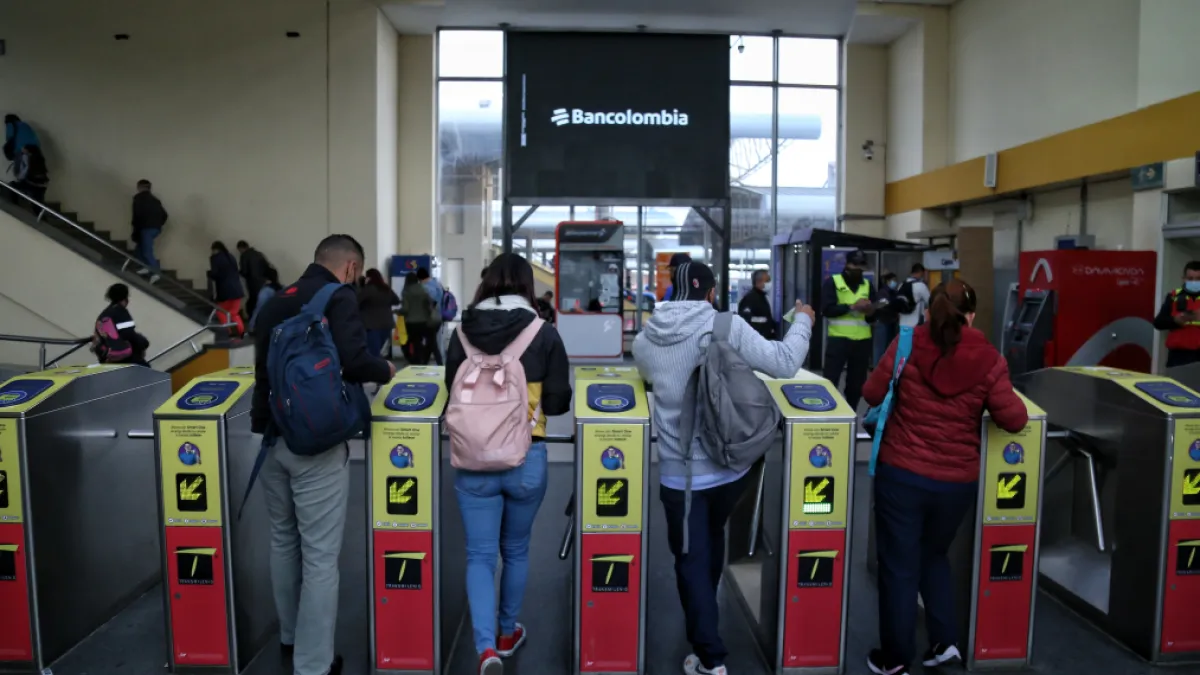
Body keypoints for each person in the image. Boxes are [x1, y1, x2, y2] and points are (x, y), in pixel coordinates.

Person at [633, 261, 815, 675]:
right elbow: (785, 362)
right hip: (733, 469)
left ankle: (710, 656)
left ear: (669, 294)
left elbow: (649, 379)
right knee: (712, 537)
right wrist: (802, 321)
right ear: (711, 293)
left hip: (679, 477)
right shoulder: (726, 325)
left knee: (690, 558)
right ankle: (709, 629)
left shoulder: (646, 341)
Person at [861, 279, 1028, 675]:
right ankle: (944, 644)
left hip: (901, 475)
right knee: (934, 556)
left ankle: (896, 658)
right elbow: (1015, 419)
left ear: (930, 310)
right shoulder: (989, 359)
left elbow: (871, 392)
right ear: (970, 315)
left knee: (900, 565)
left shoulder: (907, 343)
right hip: (956, 484)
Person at [250, 234, 395, 675]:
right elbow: (354, 361)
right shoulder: (338, 297)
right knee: (319, 556)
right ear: (351, 267)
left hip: (272, 439)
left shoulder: (276, 301)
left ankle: (292, 637)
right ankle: (314, 664)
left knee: (282, 540)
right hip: (316, 444)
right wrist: (384, 369)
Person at [444, 253, 571, 675]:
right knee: (515, 550)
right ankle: (505, 632)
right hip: (526, 457)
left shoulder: (460, 333)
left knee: (479, 555)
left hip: (471, 462)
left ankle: (485, 650)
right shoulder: (544, 333)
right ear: (525, 285)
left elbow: (451, 391)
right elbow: (558, 400)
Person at [821, 250, 878, 412]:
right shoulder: (833, 282)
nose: (858, 269)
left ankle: (850, 413)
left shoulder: (867, 285)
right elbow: (827, 310)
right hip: (838, 340)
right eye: (855, 265)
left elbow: (872, 316)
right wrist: (852, 307)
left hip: (862, 341)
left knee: (856, 384)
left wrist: (871, 311)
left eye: (861, 266)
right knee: (830, 380)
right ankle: (827, 413)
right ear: (847, 264)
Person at [1154, 260, 1200, 367]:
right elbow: (1158, 323)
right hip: (1178, 356)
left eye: (1198, 279)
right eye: (1190, 279)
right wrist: (1175, 320)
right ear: (1184, 279)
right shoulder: (1173, 296)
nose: (1194, 282)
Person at [95, 283, 150, 366]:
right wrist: (144, 343)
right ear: (125, 297)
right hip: (125, 357)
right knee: (148, 373)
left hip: (107, 356)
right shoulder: (121, 312)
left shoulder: (104, 314)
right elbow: (129, 334)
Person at [359, 268, 400, 358]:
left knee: (373, 352)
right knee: (376, 351)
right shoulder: (386, 289)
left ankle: (376, 370)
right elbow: (397, 301)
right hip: (387, 324)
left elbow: (357, 302)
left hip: (372, 325)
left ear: (369, 278)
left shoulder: (368, 289)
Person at [131, 180, 168, 281]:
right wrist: (158, 224)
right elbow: (165, 215)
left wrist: (135, 231)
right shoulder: (155, 200)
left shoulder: (138, 198)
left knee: (147, 251)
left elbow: (137, 216)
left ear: (140, 187)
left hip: (145, 228)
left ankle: (156, 273)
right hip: (155, 229)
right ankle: (146, 267)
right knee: (140, 249)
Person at [208, 241, 245, 338]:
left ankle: (228, 332)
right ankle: (241, 331)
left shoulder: (215, 258)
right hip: (237, 289)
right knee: (234, 313)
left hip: (225, 291)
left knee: (221, 312)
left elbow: (216, 274)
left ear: (215, 249)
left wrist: (210, 274)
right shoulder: (231, 257)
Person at [399, 272, 436, 365]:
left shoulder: (406, 291)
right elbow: (430, 303)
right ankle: (420, 361)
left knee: (405, 342)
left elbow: (406, 309)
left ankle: (413, 361)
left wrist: (397, 311)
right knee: (418, 342)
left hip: (410, 322)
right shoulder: (424, 289)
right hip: (423, 321)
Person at [237, 240, 274, 319]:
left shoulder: (244, 256)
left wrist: (239, 272)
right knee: (260, 300)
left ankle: (252, 318)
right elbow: (267, 266)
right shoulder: (259, 254)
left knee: (252, 299)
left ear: (241, 248)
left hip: (252, 282)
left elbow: (244, 271)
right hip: (263, 281)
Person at [417, 267, 446, 365]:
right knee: (431, 341)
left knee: (432, 342)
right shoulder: (437, 284)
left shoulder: (425, 287)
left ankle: (440, 363)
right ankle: (425, 363)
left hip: (429, 318)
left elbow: (428, 302)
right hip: (438, 317)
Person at [737, 269, 777, 340]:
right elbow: (747, 319)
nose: (769, 283)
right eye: (767, 280)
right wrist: (767, 321)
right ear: (758, 282)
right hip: (756, 341)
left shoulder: (762, 297)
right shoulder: (750, 299)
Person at [874, 272, 901, 363]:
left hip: (890, 321)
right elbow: (882, 305)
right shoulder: (883, 292)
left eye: (896, 280)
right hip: (882, 321)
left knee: (888, 347)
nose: (895, 282)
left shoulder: (894, 292)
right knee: (880, 348)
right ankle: (877, 368)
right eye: (893, 280)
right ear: (887, 281)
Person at [896, 264, 931, 329]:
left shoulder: (901, 285)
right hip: (916, 323)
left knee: (904, 339)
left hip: (902, 323)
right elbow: (929, 301)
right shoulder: (921, 285)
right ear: (920, 272)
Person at [249, 266, 282, 334]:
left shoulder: (265, 291)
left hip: (267, 327)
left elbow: (259, 309)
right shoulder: (282, 288)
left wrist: (252, 327)